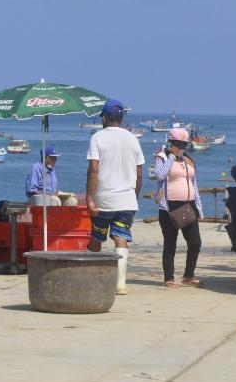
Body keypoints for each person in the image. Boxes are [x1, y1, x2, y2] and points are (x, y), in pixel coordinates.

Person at [85, 99, 146, 294]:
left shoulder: (97, 137)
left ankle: (92, 278)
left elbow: (93, 169)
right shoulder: (133, 138)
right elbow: (139, 173)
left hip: (104, 199)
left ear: (104, 117)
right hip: (127, 199)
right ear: (121, 118)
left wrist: (89, 198)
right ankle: (120, 283)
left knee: (96, 237)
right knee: (121, 237)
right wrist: (133, 196)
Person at [151, 127, 204, 287]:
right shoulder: (162, 157)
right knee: (170, 243)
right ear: (171, 143)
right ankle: (169, 277)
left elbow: (193, 183)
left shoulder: (188, 159)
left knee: (195, 242)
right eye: (178, 144)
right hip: (169, 206)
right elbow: (159, 175)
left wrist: (199, 207)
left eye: (184, 145)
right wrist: (172, 156)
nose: (181, 147)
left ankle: (189, 275)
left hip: (189, 205)